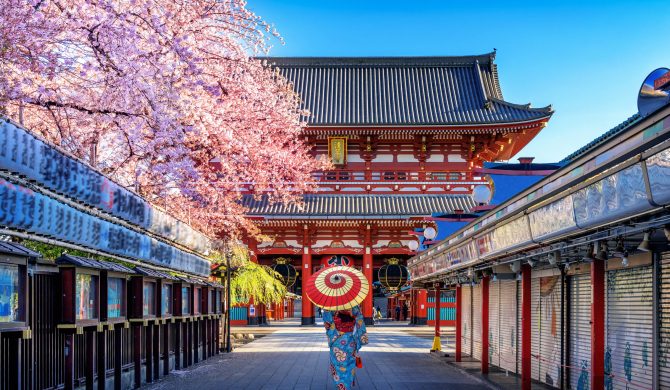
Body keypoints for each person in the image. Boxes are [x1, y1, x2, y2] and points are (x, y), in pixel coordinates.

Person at [322, 305, 368, 389]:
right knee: (349, 366)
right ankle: (347, 386)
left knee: (338, 366)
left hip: (337, 342)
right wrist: (351, 316)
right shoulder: (353, 305)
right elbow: (359, 319)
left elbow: (327, 324)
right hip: (351, 341)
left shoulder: (330, 306)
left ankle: (341, 387)